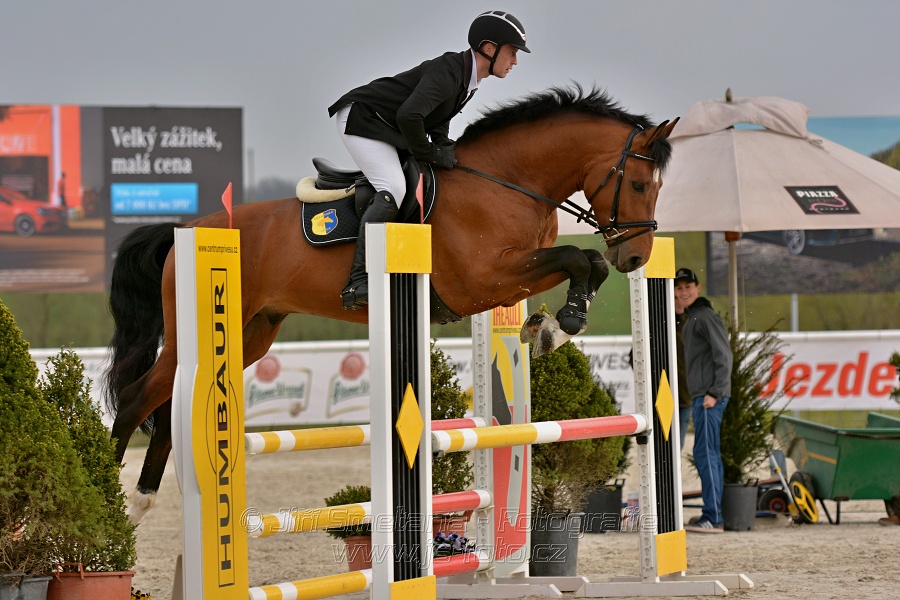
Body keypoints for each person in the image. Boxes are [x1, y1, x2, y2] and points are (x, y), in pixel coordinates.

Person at [328, 10, 529, 310]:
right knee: (393, 187)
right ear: (490, 48)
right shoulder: (449, 72)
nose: (515, 61)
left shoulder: (468, 79)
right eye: (512, 52)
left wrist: (446, 147)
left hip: (387, 125)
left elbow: (436, 118)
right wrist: (430, 152)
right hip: (362, 119)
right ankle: (357, 281)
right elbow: (409, 115)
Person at [675, 267, 732, 534]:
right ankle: (711, 514)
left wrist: (715, 392)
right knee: (704, 454)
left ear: (698, 288)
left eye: (688, 287)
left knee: (706, 455)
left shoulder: (705, 317)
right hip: (702, 396)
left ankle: (714, 517)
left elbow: (724, 356)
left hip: (709, 397)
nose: (683, 292)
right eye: (679, 288)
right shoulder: (691, 317)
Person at [674, 294, 692, 451]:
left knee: (677, 447)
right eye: (674, 298)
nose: (679, 302)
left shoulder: (693, 323)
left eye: (682, 298)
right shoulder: (656, 323)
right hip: (661, 396)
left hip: (685, 397)